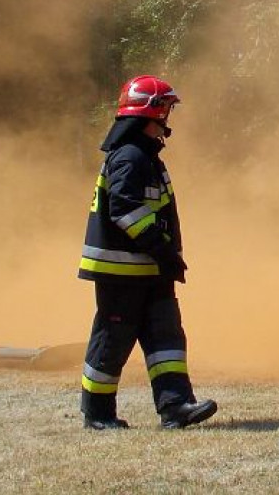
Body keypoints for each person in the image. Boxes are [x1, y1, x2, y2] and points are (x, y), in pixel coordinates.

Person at [78, 75, 217, 430]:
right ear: (152, 111)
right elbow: (123, 209)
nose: (169, 116)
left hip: (150, 270)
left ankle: (176, 407)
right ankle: (97, 414)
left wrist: (164, 256)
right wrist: (161, 247)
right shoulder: (130, 156)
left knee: (166, 337)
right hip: (123, 272)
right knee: (112, 341)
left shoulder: (145, 155)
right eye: (167, 108)